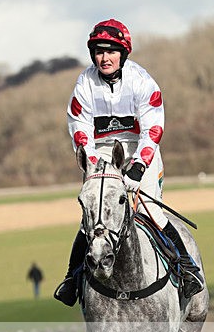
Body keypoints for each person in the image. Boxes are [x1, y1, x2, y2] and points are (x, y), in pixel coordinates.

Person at [54, 18, 204, 306]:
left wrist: (137, 168)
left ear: (122, 54)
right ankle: (72, 279)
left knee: (152, 212)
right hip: (101, 152)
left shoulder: (142, 82)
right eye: (99, 52)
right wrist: (95, 165)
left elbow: (153, 129)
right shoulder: (85, 83)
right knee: (93, 219)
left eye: (111, 51)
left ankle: (187, 270)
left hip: (139, 149)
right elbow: (79, 126)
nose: (104, 58)